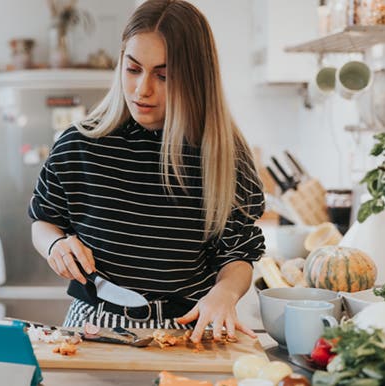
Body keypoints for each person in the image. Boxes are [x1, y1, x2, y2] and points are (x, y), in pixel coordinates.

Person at [28, 0, 266, 343]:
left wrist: (225, 294)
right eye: (133, 68)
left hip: (188, 331)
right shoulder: (80, 144)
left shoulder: (224, 157)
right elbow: (44, 221)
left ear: (196, 79)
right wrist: (55, 246)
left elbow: (238, 255)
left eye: (164, 75)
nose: (143, 90)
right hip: (94, 326)